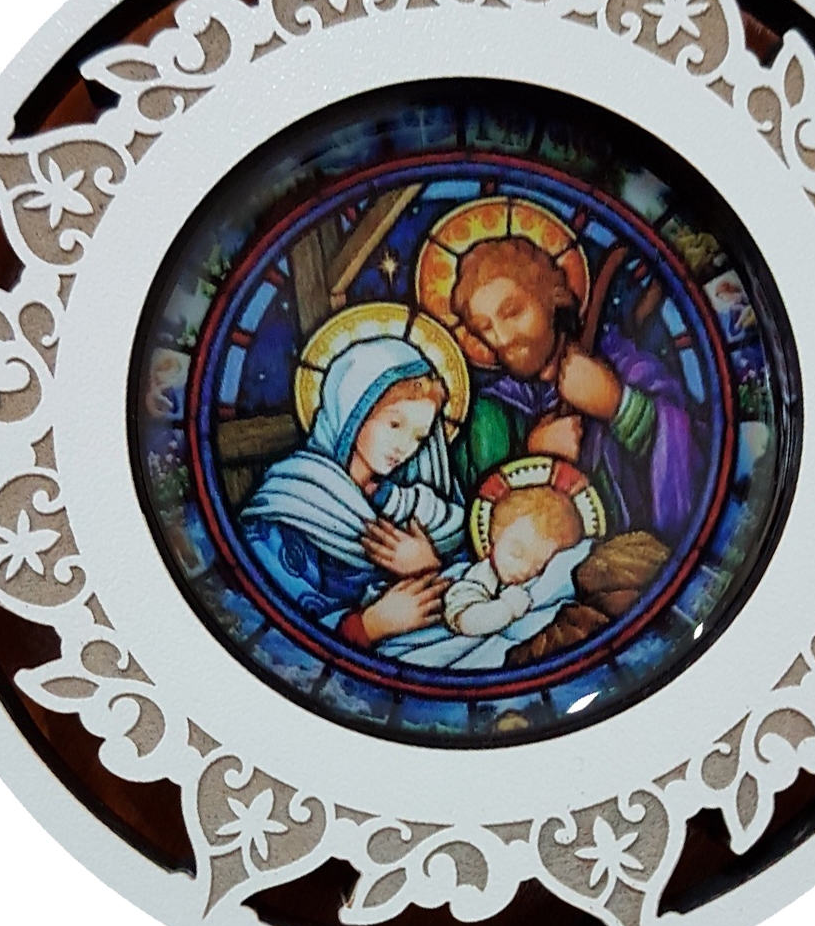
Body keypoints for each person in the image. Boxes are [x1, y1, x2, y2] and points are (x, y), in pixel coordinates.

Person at [448, 236, 701, 543]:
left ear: (551, 297)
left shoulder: (625, 365)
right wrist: (533, 457)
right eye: (485, 327)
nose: (501, 338)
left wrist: (619, 406)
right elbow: (473, 530)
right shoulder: (488, 414)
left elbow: (695, 455)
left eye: (512, 312)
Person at [240, 337, 465, 648]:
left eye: (419, 437)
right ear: (351, 410)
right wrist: (370, 626)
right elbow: (265, 627)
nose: (404, 447)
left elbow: (478, 591)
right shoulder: (292, 501)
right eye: (395, 424)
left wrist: (428, 565)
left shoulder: (416, 507)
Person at [442, 483, 589, 637]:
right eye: (517, 553)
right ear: (495, 535)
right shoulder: (480, 576)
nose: (524, 569)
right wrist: (507, 609)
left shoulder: (538, 583)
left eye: (538, 566)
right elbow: (467, 622)